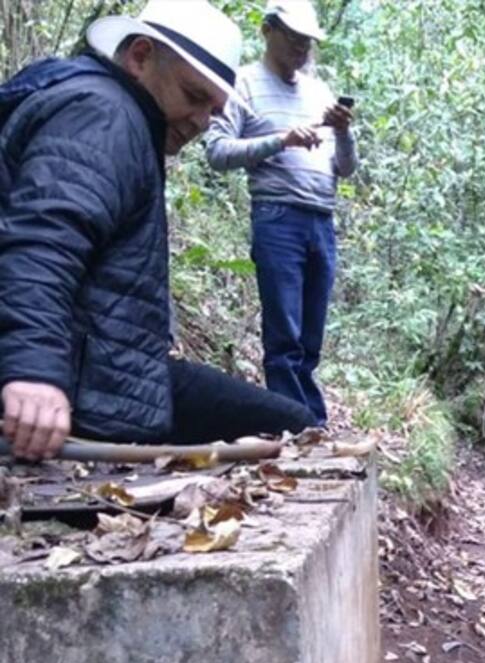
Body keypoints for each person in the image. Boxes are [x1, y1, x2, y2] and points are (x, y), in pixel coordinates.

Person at [0, 0, 316, 462]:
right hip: (82, 392)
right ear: (141, 56)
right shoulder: (104, 116)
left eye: (214, 108)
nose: (202, 122)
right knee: (297, 428)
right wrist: (33, 373)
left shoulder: (119, 114)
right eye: (193, 95)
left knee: (293, 426)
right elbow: (41, 245)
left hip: (111, 375)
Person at [205, 0, 358, 427]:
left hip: (321, 219)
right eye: (293, 37)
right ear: (268, 30)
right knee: (284, 334)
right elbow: (217, 152)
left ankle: (306, 421)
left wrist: (342, 132)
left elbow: (345, 167)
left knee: (310, 337)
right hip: (277, 218)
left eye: (307, 41)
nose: (302, 48)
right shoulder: (243, 85)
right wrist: (281, 140)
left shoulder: (319, 90)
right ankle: (298, 424)